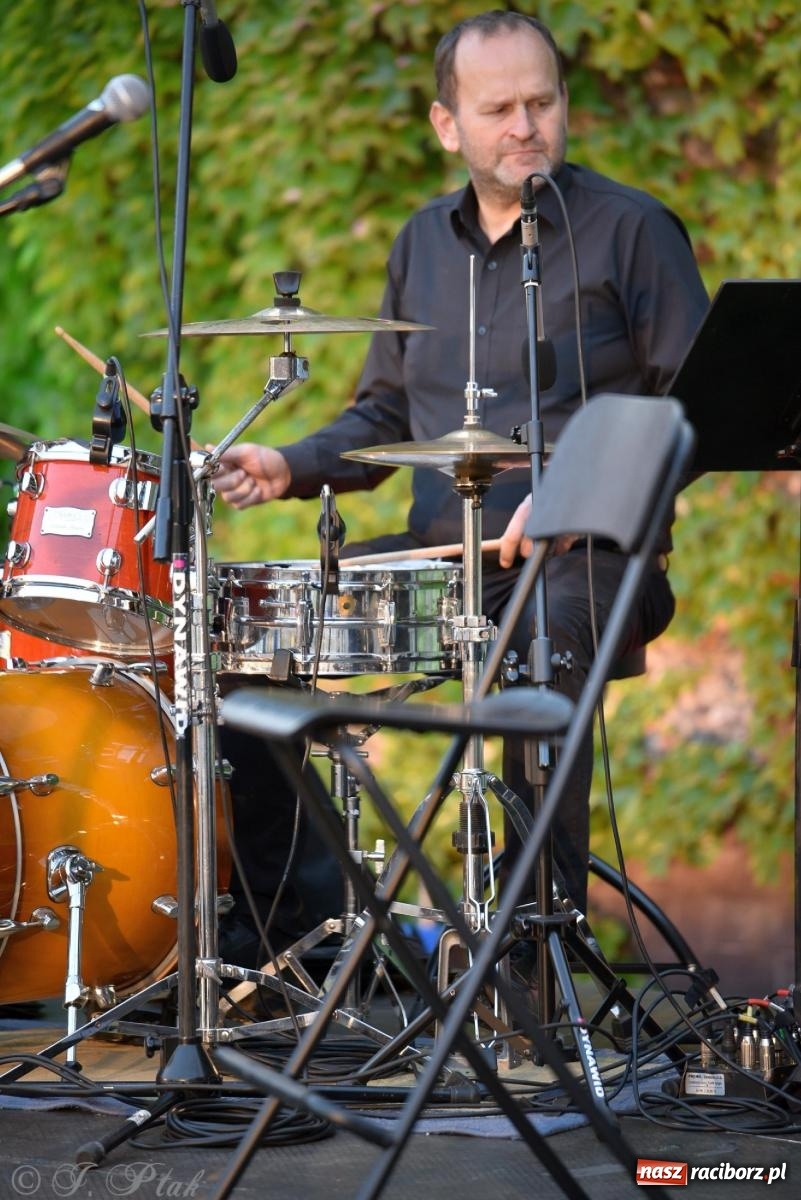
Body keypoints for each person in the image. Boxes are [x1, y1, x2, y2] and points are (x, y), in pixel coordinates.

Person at [213, 10, 709, 943]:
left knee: (532, 640)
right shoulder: (419, 245)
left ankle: (531, 964)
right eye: (499, 108)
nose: (526, 124)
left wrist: (578, 503)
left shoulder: (633, 230)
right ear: (449, 126)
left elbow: (693, 413)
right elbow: (387, 414)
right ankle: (305, 944)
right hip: (448, 552)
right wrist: (287, 463)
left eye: (541, 101)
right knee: (242, 652)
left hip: (591, 562)